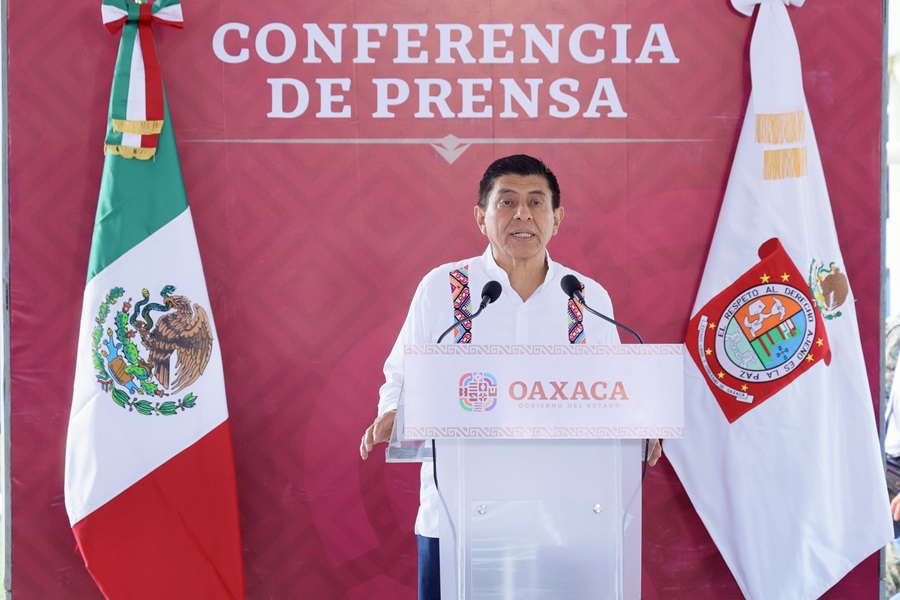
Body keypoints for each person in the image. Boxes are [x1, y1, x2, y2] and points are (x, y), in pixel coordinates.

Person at [359, 154, 662, 599]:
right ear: (480, 218)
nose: (523, 214)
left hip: (562, 519)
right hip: (458, 517)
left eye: (536, 202)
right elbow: (401, 375)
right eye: (507, 202)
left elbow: (612, 395)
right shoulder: (443, 288)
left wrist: (637, 426)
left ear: (557, 219)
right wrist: (393, 412)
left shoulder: (584, 297)